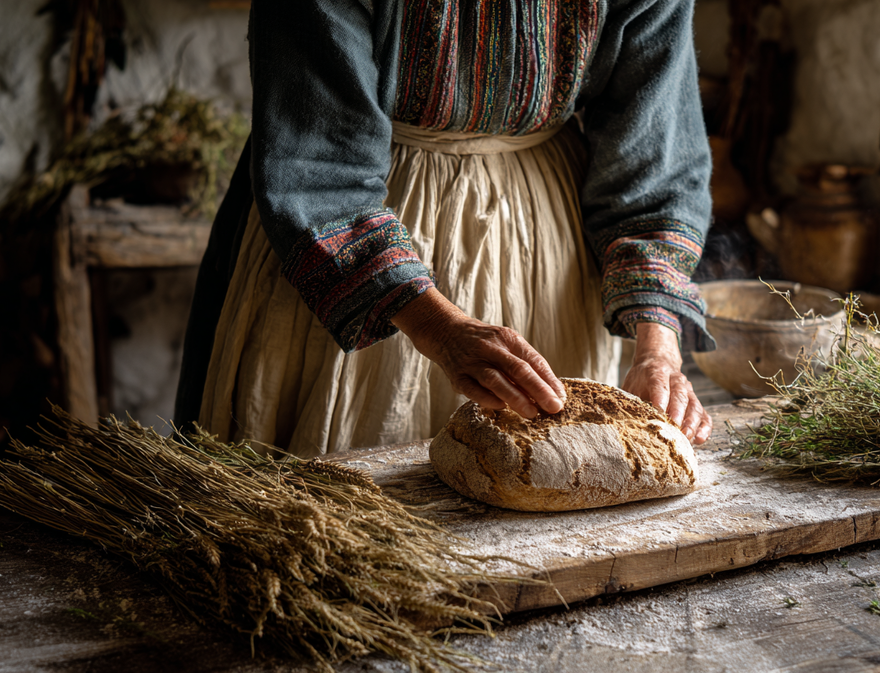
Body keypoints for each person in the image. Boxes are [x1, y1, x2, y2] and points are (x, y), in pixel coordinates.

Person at [174, 0, 717, 457]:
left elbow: (653, 150)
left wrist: (657, 350)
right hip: (357, 239)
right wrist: (437, 328)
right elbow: (320, 162)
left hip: (545, 242)